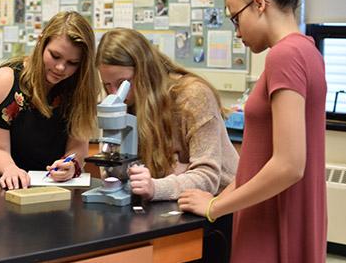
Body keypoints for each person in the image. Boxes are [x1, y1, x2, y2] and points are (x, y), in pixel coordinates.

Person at [178, 0, 327, 263]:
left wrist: (215, 207)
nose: (237, 33)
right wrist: (219, 196)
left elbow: (288, 165)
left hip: (272, 217)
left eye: (236, 19)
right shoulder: (307, 50)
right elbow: (262, 161)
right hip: (277, 208)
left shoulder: (284, 55)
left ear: (259, 4)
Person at [96, 28, 239, 201]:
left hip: (220, 203)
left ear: (145, 72)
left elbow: (207, 177)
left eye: (122, 84)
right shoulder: (128, 102)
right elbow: (114, 168)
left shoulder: (193, 96)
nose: (116, 94)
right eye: (107, 85)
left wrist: (156, 186)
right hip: (169, 202)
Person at [0, 11, 99, 190]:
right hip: (10, 187)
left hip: (57, 189)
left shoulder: (79, 87)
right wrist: (10, 169)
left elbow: (78, 147)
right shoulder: (6, 81)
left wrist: (71, 164)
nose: (60, 68)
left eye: (72, 63)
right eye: (55, 56)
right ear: (41, 41)